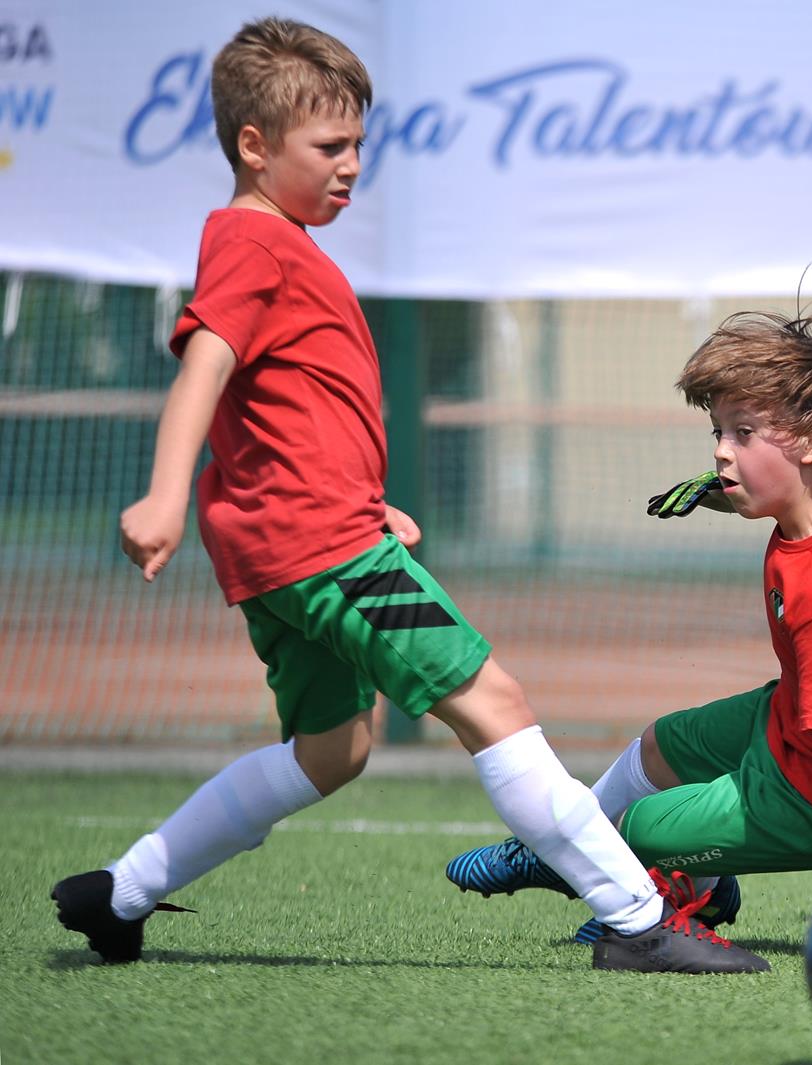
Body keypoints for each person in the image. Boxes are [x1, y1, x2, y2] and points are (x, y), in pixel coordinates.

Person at [49, 16, 766, 975]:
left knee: (332, 748)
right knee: (493, 700)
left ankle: (120, 891)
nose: (352, 165)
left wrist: (363, 496)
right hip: (326, 550)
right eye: (329, 146)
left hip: (297, 545)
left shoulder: (273, 243)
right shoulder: (253, 241)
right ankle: (637, 919)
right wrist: (162, 494)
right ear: (255, 146)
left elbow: (282, 408)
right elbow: (206, 366)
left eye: (358, 144)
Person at [443, 312, 812, 937]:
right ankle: (569, 854)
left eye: (744, 433)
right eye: (719, 430)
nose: (720, 450)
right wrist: (726, 487)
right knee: (661, 746)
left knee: (639, 829)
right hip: (797, 726)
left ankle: (660, 887)